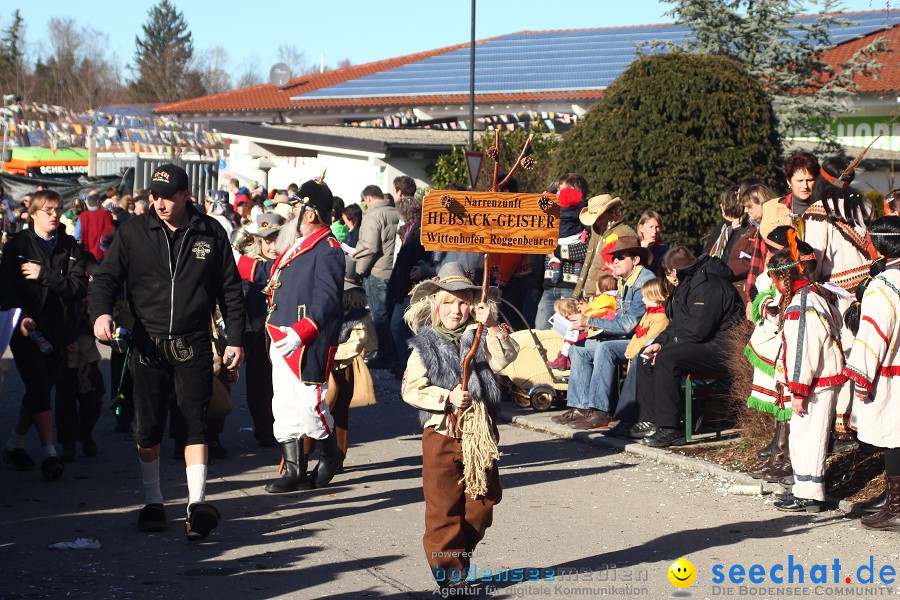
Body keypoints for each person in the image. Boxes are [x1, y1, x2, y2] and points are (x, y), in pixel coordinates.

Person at [90, 163, 246, 541]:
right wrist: (101, 312)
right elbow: (107, 278)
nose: (158, 203)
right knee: (148, 426)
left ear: (185, 195)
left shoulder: (210, 232)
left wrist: (236, 339)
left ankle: (196, 505)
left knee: (196, 422)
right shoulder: (133, 232)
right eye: (154, 196)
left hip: (193, 341)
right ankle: (154, 501)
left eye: (167, 196)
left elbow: (230, 290)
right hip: (147, 342)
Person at [401, 262, 518, 591]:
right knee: (443, 508)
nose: (456, 309)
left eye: (464, 301)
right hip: (442, 434)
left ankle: (457, 556)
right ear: (436, 306)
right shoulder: (424, 346)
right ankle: (451, 578)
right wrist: (447, 397)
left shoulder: (479, 336)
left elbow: (506, 358)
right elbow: (411, 390)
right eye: (448, 302)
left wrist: (492, 325)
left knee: (483, 502)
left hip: (480, 434)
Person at [234, 179, 345, 494]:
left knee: (310, 405)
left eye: (299, 206)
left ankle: (330, 453)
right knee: (282, 404)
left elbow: (327, 300)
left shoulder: (328, 249)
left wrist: (302, 330)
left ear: (310, 214)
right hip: (279, 332)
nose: (294, 211)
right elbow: (273, 278)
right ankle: (295, 469)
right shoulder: (298, 243)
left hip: (306, 338)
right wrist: (234, 259)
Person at [1, 190, 90, 480]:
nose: (54, 214)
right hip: (26, 329)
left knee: (43, 386)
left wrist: (44, 276)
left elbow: (76, 288)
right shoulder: (18, 244)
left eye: (57, 209)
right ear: (33, 213)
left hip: (59, 329)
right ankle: (50, 453)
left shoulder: (70, 246)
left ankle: (15, 444)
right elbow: (6, 289)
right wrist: (21, 317)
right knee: (38, 385)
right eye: (48, 210)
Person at [633, 247, 743, 447]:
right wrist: (659, 343)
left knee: (667, 358)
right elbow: (677, 324)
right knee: (646, 354)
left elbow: (697, 331)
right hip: (702, 343)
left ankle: (670, 428)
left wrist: (666, 349)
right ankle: (649, 421)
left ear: (673, 272)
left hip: (723, 347)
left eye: (667, 274)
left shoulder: (708, 285)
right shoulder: (689, 283)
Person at [766, 245, 844, 513]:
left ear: (780, 279)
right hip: (818, 382)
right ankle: (804, 488)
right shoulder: (811, 296)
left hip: (815, 385)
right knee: (805, 435)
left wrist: (798, 390)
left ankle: (810, 493)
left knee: (809, 437)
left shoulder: (802, 304)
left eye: (773, 280)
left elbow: (803, 351)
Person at [553, 237, 656, 430]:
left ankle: (601, 412)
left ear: (635, 260)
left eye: (621, 257)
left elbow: (629, 324)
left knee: (605, 348)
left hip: (644, 341)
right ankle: (582, 408)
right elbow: (617, 318)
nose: (615, 261)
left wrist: (590, 322)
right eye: (614, 257)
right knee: (579, 349)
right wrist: (587, 324)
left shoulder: (644, 282)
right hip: (629, 337)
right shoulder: (625, 281)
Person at [842, 216, 900, 530]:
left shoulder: (883, 285)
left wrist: (862, 378)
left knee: (895, 439)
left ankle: (896, 509)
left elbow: (873, 335)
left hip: (893, 375)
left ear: (877, 243)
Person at [304, 257, 377, 470]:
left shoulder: (358, 316)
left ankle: (336, 458)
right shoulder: (319, 308)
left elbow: (356, 345)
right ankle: (303, 454)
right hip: (317, 365)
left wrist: (328, 354)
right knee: (310, 408)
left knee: (339, 414)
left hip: (342, 368)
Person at [240, 213, 285, 447]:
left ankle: (284, 428)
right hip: (257, 335)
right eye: (267, 240)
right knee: (259, 385)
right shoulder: (250, 267)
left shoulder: (290, 261)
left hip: (284, 334)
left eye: (276, 239)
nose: (272, 245)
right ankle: (264, 429)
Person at [535, 174, 591, 328]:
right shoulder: (553, 215)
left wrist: (557, 251)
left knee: (566, 330)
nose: (558, 194)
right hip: (549, 285)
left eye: (561, 190)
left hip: (570, 287)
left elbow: (584, 250)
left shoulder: (585, 218)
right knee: (541, 328)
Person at [354, 185, 399, 369]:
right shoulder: (395, 212)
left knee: (379, 316)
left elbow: (369, 247)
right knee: (392, 317)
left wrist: (359, 270)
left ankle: (386, 355)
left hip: (377, 271)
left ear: (368, 199)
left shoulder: (373, 215)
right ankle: (394, 354)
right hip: (393, 270)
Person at [572, 193, 638, 302]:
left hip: (607, 297)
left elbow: (631, 271)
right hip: (587, 296)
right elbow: (589, 262)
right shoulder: (596, 230)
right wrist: (578, 293)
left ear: (612, 212)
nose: (598, 221)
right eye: (595, 218)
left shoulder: (625, 233)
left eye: (601, 216)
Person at [75, 190, 114, 261]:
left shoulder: (82, 216)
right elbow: (110, 234)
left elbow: (77, 235)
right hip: (102, 255)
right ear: (98, 202)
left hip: (86, 254)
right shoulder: (106, 215)